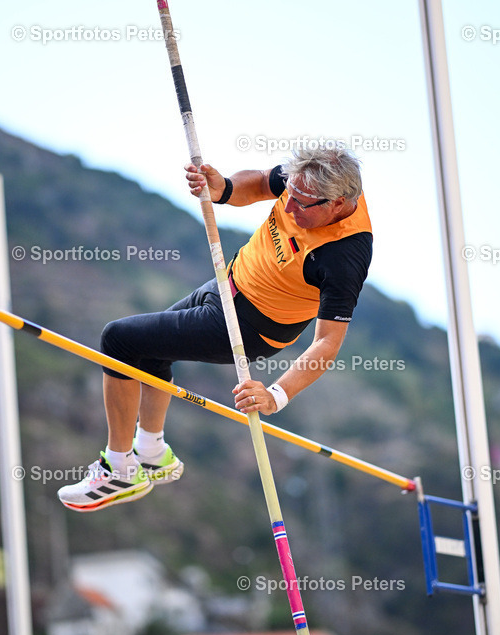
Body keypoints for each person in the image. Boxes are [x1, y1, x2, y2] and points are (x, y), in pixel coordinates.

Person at [58, 146, 373, 512]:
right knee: (149, 351)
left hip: (250, 327)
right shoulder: (306, 178)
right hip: (226, 285)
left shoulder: (345, 256)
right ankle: (152, 452)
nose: (288, 208)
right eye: (290, 196)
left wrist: (276, 395)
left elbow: (327, 344)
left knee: (119, 340)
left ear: (337, 204)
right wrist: (223, 188)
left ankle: (121, 467)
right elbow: (257, 184)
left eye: (301, 205)